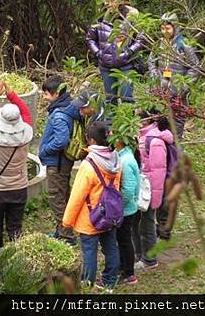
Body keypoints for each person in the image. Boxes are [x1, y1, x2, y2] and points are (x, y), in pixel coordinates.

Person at [62, 122, 121, 292]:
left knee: (89, 252)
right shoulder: (115, 158)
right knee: (111, 247)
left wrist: (67, 221)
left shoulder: (89, 165)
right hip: (110, 213)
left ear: (92, 141)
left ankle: (87, 284)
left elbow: (77, 196)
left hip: (91, 217)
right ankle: (109, 281)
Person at [38, 78, 96, 244]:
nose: (44, 96)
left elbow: (61, 141)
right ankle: (62, 229)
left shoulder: (59, 115)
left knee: (57, 197)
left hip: (56, 163)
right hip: (65, 162)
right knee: (64, 194)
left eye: (46, 93)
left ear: (56, 94)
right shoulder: (69, 106)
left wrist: (44, 150)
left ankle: (66, 235)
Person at [0, 80, 33, 249]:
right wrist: (12, 95)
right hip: (19, 187)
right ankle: (15, 253)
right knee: (15, 226)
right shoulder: (26, 134)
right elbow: (26, 112)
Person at [86, 0, 144, 105]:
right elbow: (90, 38)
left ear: (120, 1)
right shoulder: (100, 17)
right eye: (106, 1)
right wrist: (98, 53)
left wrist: (128, 52)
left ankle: (127, 122)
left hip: (126, 65)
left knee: (127, 99)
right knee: (110, 99)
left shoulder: (131, 17)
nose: (109, 4)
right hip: (106, 65)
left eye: (112, 1)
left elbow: (141, 39)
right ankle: (110, 123)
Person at [148, 13, 199, 138]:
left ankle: (176, 146)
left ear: (175, 27)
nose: (165, 31)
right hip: (161, 87)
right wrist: (155, 75)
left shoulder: (184, 45)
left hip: (178, 90)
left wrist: (184, 86)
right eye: (162, 28)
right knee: (159, 116)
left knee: (177, 119)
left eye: (168, 28)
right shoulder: (159, 44)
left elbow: (195, 67)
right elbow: (151, 61)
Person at [135, 115, 172, 271]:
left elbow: (158, 173)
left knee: (147, 224)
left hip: (149, 191)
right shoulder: (143, 136)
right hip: (142, 188)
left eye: (139, 116)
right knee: (139, 223)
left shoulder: (155, 141)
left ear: (148, 119)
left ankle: (150, 259)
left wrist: (153, 199)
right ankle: (140, 254)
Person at [114, 138, 140, 285]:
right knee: (122, 240)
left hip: (126, 210)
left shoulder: (126, 160)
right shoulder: (123, 156)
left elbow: (129, 190)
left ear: (121, 141)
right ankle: (123, 268)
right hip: (125, 209)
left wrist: (118, 205)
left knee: (124, 241)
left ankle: (129, 273)